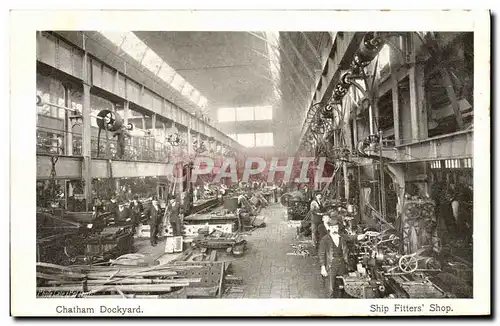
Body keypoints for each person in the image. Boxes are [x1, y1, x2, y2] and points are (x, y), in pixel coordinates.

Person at [319, 218, 366, 298]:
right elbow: (321, 254)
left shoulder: (342, 236)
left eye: (336, 227)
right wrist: (323, 267)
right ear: (329, 228)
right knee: (330, 288)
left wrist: (364, 235)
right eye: (333, 227)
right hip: (331, 265)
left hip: (342, 263)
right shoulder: (325, 239)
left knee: (343, 285)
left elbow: (352, 238)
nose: (335, 229)